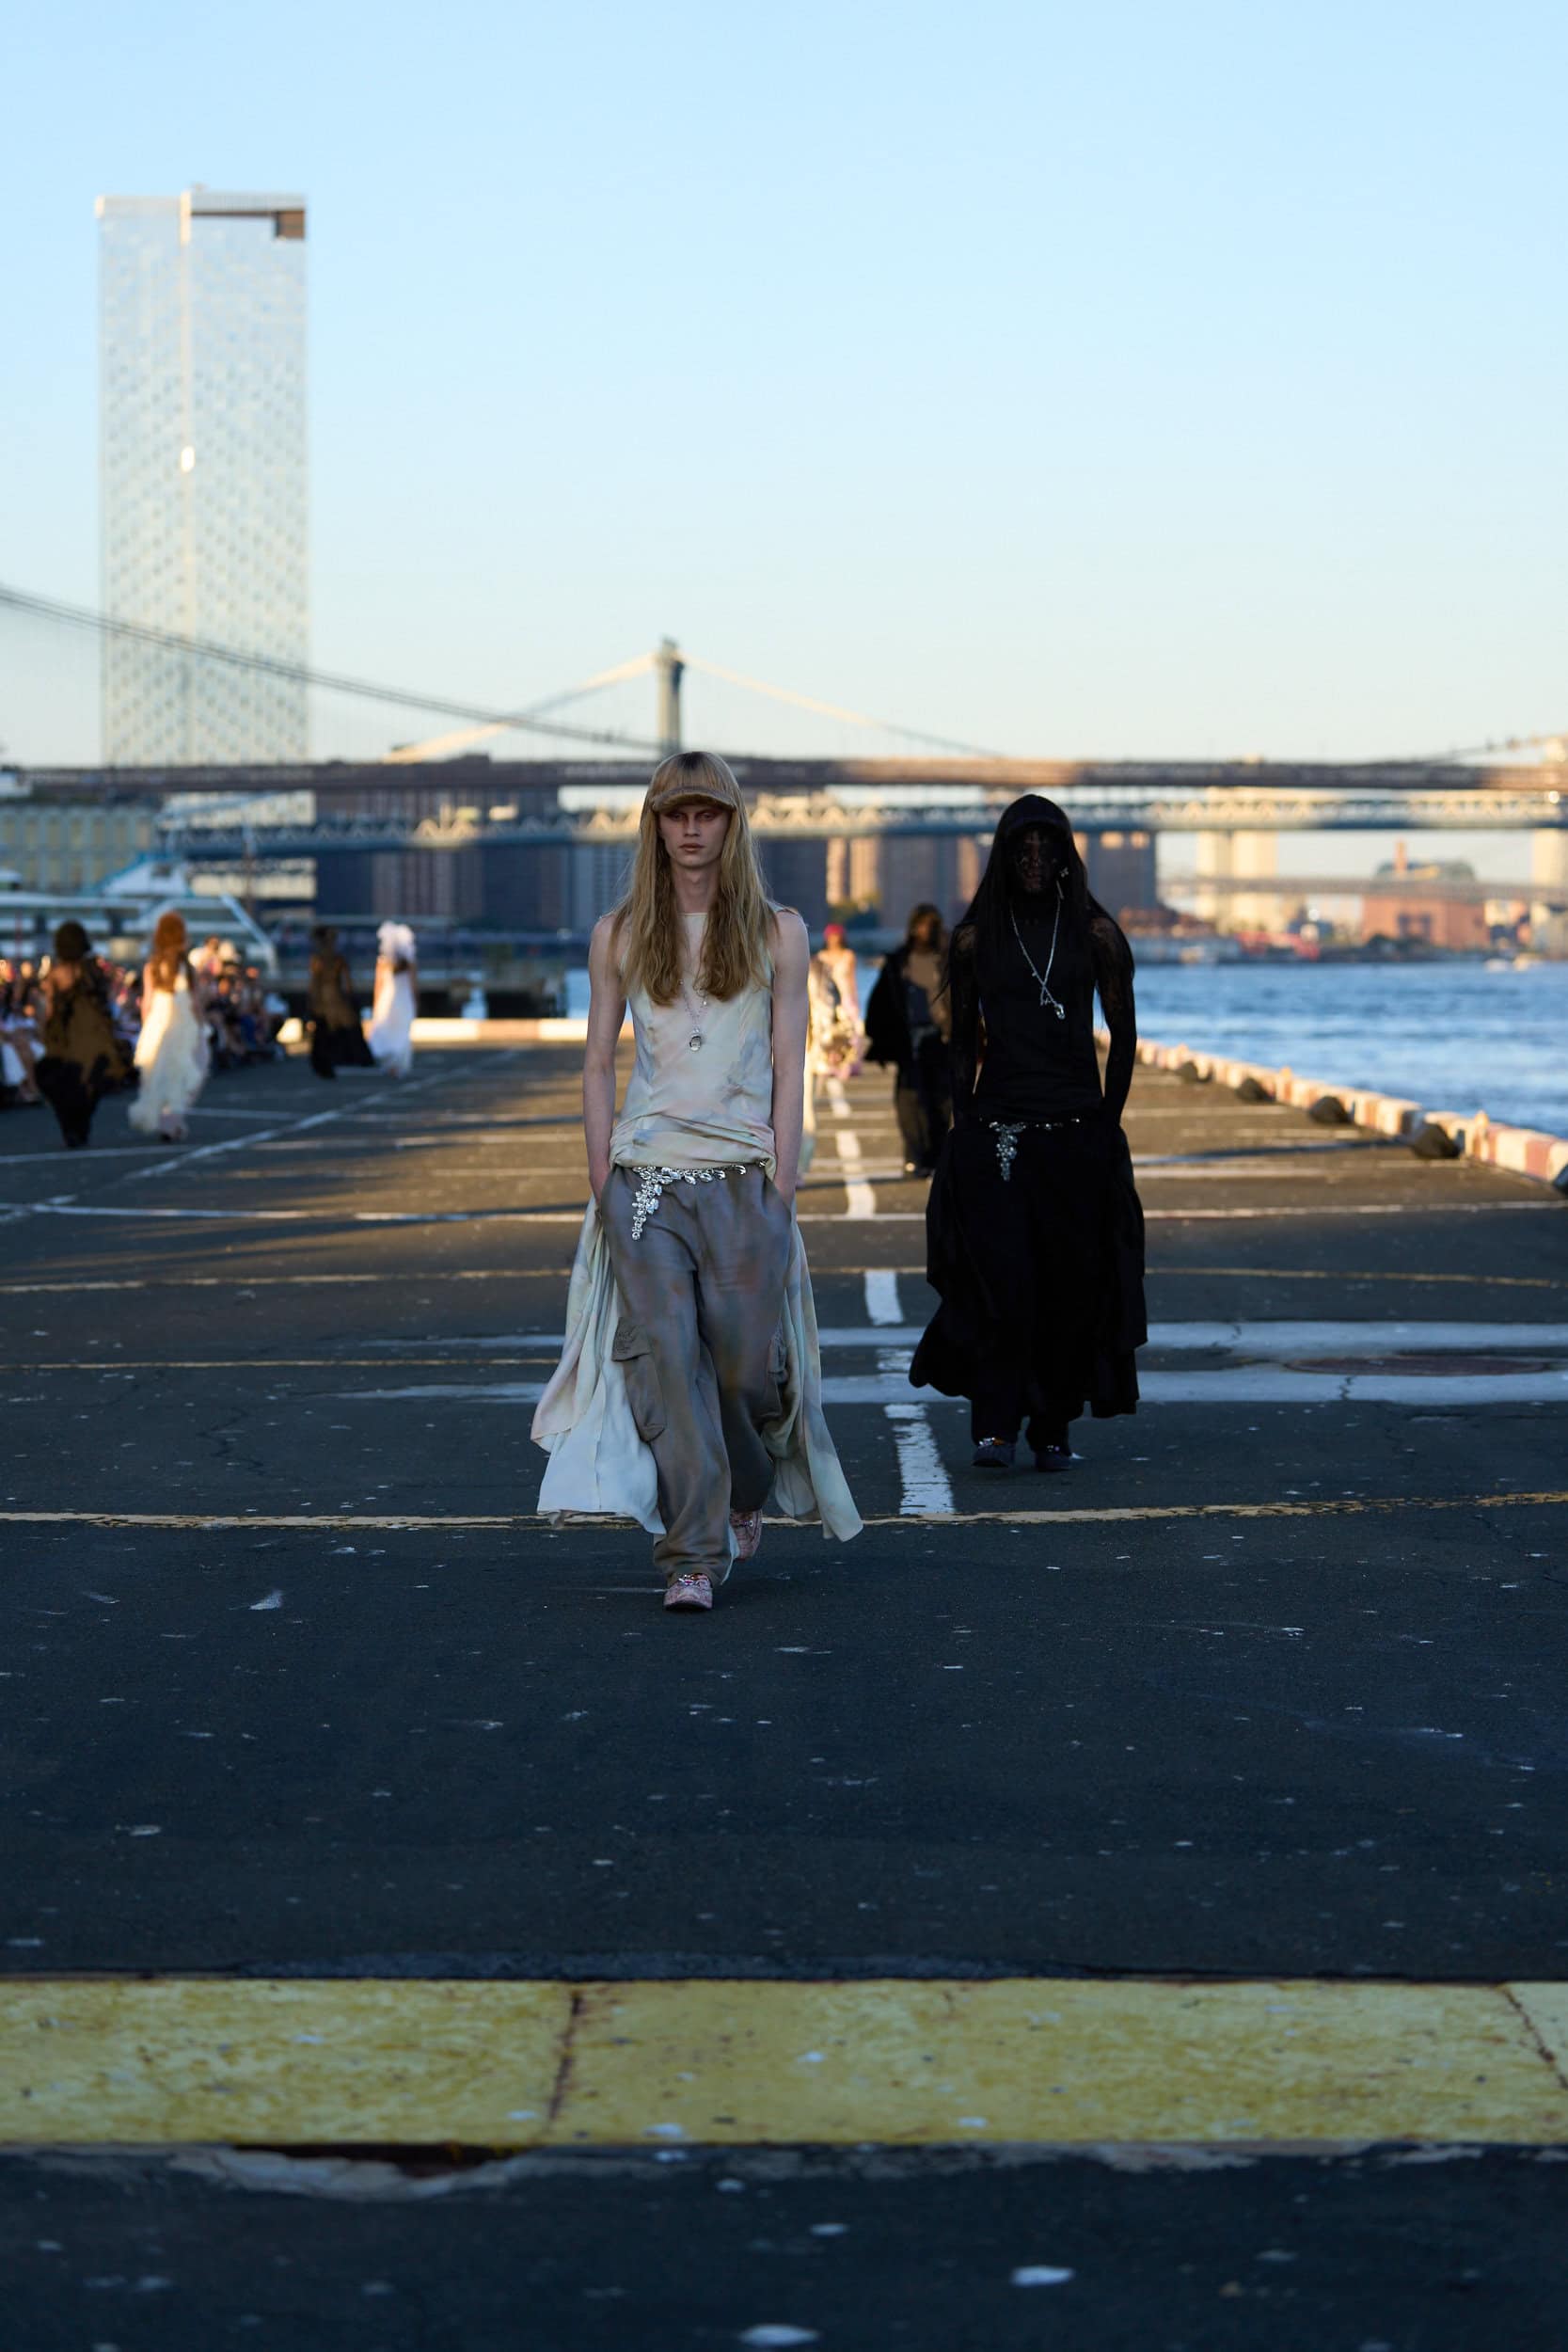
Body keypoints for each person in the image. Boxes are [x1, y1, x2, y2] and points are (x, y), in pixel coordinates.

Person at [532, 750, 861, 1611]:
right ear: (654, 825)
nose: (689, 828)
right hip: (644, 1182)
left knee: (745, 1373)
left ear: (729, 823)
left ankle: (744, 1486)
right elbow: (597, 1061)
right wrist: (599, 1175)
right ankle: (691, 1556)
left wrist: (783, 1184)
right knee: (670, 1363)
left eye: (705, 813)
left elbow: (790, 1063)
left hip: (745, 1178)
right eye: (674, 813)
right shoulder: (618, 934)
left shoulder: (777, 933)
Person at [910, 794, 1146, 1470]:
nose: (1035, 859)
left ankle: (1051, 1426)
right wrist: (961, 1128)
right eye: (1023, 847)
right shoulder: (974, 938)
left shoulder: (1096, 934)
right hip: (997, 1134)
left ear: (1067, 854)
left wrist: (1107, 1123)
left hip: (1076, 1130)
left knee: (1069, 1286)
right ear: (1004, 854)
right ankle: (995, 1425)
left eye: (1047, 846)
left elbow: (1124, 1036)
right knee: (999, 1282)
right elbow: (961, 1044)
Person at [864, 902, 952, 1174]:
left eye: (933, 925)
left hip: (942, 1039)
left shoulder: (948, 960)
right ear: (914, 928)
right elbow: (880, 1003)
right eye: (923, 925)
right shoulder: (897, 963)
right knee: (909, 1102)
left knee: (942, 1102)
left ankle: (935, 1157)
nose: (928, 931)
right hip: (908, 1041)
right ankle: (915, 1156)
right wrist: (879, 1037)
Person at [33, 921, 132, 1149]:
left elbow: (49, 1009)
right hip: (92, 1031)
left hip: (64, 1033)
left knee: (64, 1082)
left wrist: (46, 1031)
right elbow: (106, 1001)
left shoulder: (57, 973)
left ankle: (70, 1127)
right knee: (93, 1080)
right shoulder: (93, 970)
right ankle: (82, 1125)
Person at [128, 911, 210, 1141]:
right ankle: (173, 1120)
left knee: (159, 1073)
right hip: (183, 1022)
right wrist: (202, 1024)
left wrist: (147, 1027)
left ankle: (167, 1120)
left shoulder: (152, 965)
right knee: (188, 1070)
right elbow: (195, 1001)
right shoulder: (186, 967)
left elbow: (147, 1002)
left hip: (157, 1021)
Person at [800, 922, 864, 1173]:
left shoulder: (822, 967)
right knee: (801, 1107)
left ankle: (799, 1166)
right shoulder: (814, 963)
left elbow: (846, 988)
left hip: (814, 1043)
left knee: (806, 1107)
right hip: (798, 1044)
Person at [308, 926, 375, 1079]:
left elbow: (314, 983)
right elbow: (348, 984)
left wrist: (312, 1001)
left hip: (325, 999)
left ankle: (329, 1060)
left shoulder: (318, 960)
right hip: (336, 997)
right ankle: (352, 1057)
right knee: (347, 1026)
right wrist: (351, 998)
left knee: (326, 1030)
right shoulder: (338, 959)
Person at [367, 921, 418, 1077]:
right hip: (403, 999)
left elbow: (378, 985)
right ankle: (396, 1065)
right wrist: (415, 1001)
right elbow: (413, 985)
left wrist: (376, 1004)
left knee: (388, 1031)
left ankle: (390, 1065)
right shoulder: (409, 963)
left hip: (388, 999)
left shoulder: (383, 962)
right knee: (401, 1032)